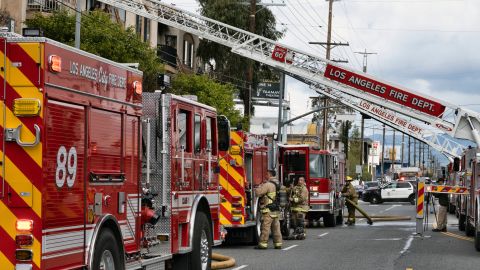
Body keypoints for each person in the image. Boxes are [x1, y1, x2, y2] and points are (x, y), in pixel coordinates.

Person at [254, 169, 282, 249]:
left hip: (268, 210)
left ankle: (263, 244)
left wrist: (258, 187)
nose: (266, 176)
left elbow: (258, 193)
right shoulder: (279, 184)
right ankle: (278, 244)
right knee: (276, 228)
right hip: (276, 210)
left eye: (266, 174)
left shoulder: (268, 184)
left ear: (269, 174)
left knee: (265, 227)